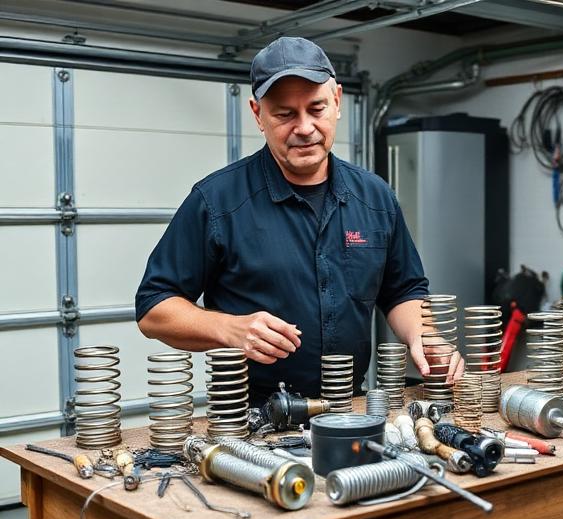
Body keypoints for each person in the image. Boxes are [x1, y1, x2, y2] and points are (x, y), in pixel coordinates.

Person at [135, 36, 463, 407]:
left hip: (349, 407)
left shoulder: (375, 198)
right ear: (258, 114)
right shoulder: (218, 202)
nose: (304, 127)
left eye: (316, 108)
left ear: (337, 101)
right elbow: (153, 307)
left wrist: (425, 336)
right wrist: (229, 329)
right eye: (285, 114)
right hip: (251, 419)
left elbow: (403, 290)